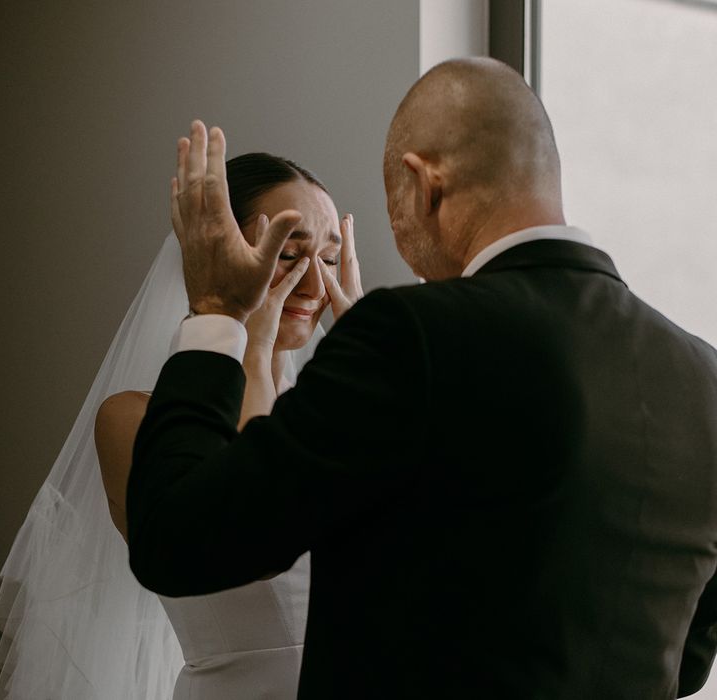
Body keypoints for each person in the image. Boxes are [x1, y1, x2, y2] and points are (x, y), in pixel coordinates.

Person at [127, 57, 717, 699]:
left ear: (420, 183)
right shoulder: (703, 378)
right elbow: (685, 662)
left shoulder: (410, 337)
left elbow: (177, 540)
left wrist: (215, 312)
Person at [0, 150, 359, 699]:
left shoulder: (332, 410)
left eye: (328, 261)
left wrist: (364, 351)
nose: (312, 286)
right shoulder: (134, 419)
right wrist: (250, 342)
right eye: (288, 254)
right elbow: (251, 535)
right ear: (220, 256)